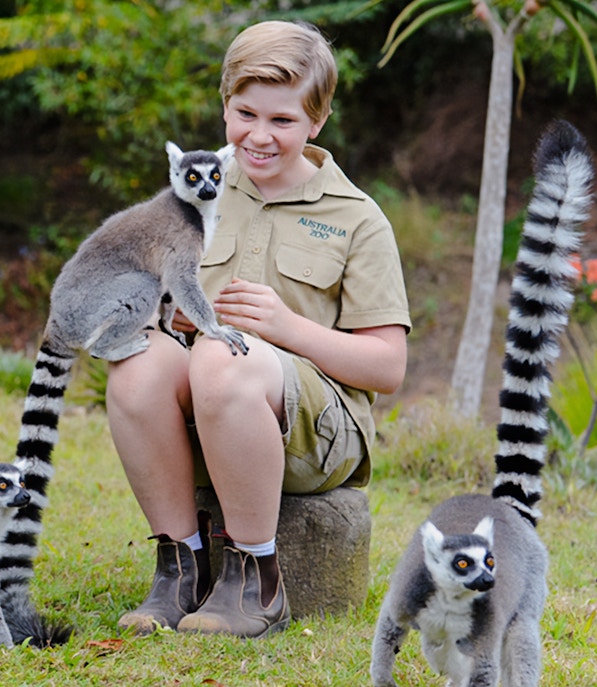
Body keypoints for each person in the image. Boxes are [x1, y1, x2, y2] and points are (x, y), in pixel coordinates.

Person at [109, 20, 411, 638]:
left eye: (283, 121)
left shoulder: (357, 219)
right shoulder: (195, 194)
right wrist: (172, 319)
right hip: (211, 416)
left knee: (227, 362)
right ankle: (181, 568)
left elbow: (387, 369)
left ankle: (256, 582)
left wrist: (286, 327)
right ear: (225, 105)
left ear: (316, 121)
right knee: (137, 362)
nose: (260, 135)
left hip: (316, 435)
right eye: (246, 114)